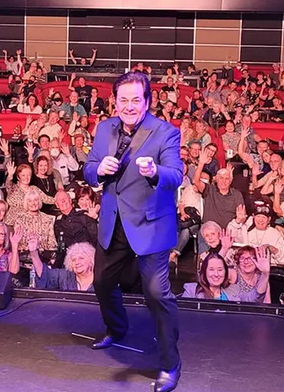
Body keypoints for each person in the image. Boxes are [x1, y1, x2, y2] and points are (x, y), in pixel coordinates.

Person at [84, 71, 183, 392]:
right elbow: (89, 167)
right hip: (114, 223)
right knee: (100, 281)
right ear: (114, 102)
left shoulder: (165, 132)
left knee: (156, 293)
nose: (128, 106)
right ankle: (117, 327)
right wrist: (97, 170)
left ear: (147, 101)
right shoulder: (103, 128)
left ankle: (169, 364)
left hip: (150, 225)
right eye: (122, 100)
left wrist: (155, 172)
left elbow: (176, 174)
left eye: (135, 100)